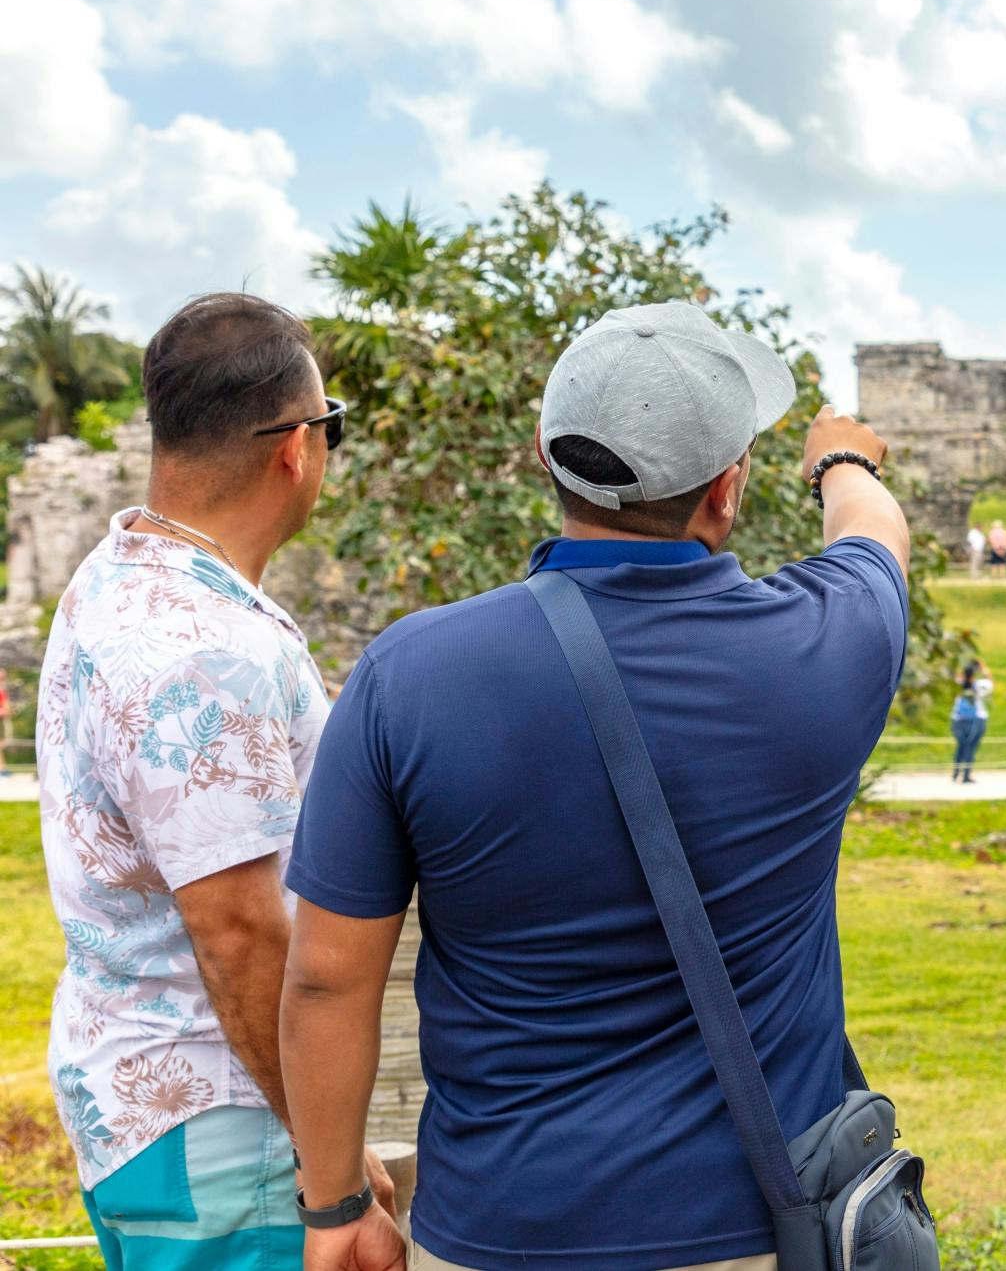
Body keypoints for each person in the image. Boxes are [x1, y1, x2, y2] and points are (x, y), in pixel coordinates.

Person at [279, 302, 910, 1271]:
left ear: (546, 455)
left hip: (496, 1229)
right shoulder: (827, 642)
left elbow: (328, 975)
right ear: (727, 489)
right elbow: (874, 534)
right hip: (749, 1230)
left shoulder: (411, 673)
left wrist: (335, 1207)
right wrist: (841, 459)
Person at [36, 293, 392, 1268]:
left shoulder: (118, 571)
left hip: (141, 1102)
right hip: (228, 1133)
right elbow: (237, 931)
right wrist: (332, 1176)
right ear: (297, 447)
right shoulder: (205, 652)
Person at [950, 659, 995, 783]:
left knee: (961, 746)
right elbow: (990, 682)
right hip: (975, 720)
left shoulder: (957, 684)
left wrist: (964, 668)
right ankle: (966, 775)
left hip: (957, 720)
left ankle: (955, 773)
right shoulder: (979, 685)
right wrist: (983, 667)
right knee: (970, 747)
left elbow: (955, 676)